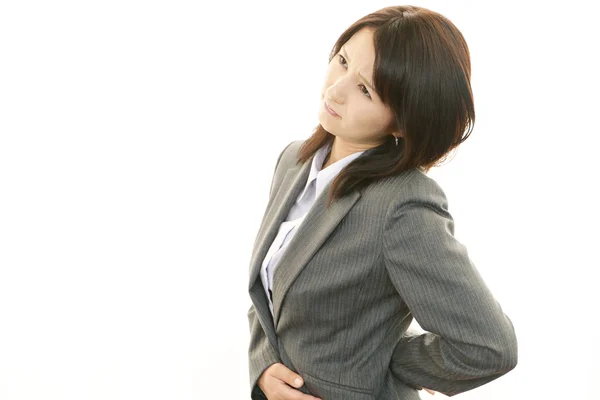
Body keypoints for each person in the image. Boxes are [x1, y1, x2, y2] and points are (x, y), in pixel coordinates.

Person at [246, 5, 518, 400]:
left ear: (404, 119)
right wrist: (264, 363)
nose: (335, 89)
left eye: (365, 89)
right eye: (342, 61)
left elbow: (490, 347)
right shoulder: (295, 160)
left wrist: (382, 358)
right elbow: (272, 289)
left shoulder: (403, 205)